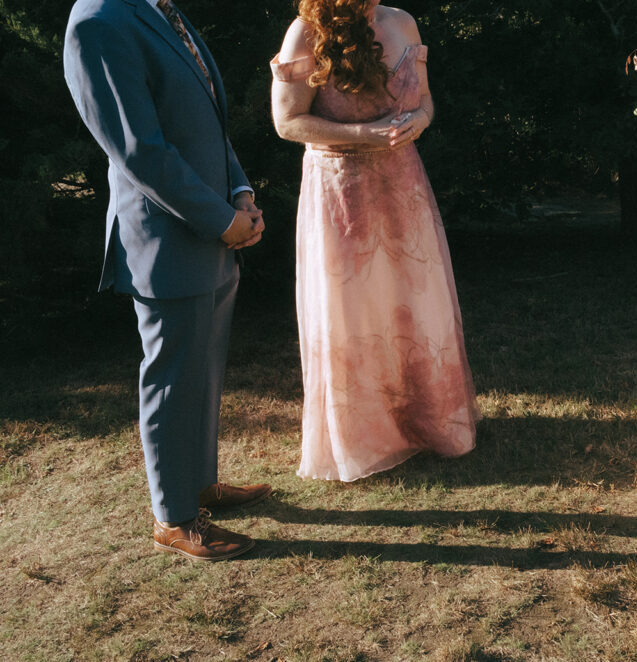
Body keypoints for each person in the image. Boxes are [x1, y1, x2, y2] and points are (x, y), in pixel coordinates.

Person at [64, 0, 272, 561]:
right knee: (173, 374)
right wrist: (220, 220)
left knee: (201, 368)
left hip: (213, 224)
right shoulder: (98, 22)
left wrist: (239, 193)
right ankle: (174, 517)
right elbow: (139, 148)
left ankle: (198, 485)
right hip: (166, 235)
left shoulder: (159, 9)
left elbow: (205, 116)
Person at [270, 0, 477, 481]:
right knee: (354, 312)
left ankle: (426, 424)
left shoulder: (402, 22)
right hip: (341, 191)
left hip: (404, 186)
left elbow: (425, 101)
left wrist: (420, 121)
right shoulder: (306, 32)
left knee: (415, 304)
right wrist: (364, 133)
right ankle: (365, 437)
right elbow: (287, 122)